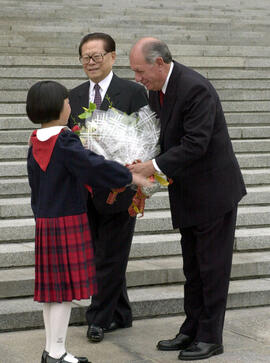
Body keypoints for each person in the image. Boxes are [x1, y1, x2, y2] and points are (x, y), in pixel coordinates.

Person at [129, 37, 247, 361]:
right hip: (188, 193)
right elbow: (161, 138)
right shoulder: (156, 91)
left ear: (159, 63)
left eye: (140, 71)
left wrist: (151, 166)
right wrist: (138, 158)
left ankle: (211, 337)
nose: (137, 78)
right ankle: (191, 328)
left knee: (212, 267)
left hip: (214, 194)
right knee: (193, 267)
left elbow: (196, 143)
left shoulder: (195, 88)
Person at [26, 80, 150, 363]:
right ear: (57, 107)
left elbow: (35, 186)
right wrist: (129, 176)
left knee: (53, 291)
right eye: (67, 101)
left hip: (46, 221)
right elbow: (94, 167)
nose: (70, 105)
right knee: (64, 292)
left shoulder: (36, 139)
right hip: (67, 220)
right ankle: (56, 353)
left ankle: (52, 350)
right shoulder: (66, 139)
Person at [68, 32, 148, 343]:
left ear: (113, 57)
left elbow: (146, 135)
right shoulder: (72, 96)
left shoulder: (132, 92)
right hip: (86, 190)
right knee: (101, 253)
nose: (90, 62)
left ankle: (98, 319)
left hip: (121, 188)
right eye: (85, 57)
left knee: (111, 256)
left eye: (96, 56)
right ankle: (121, 313)